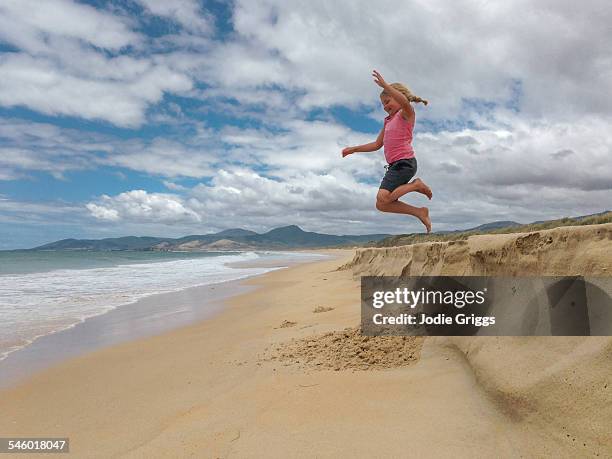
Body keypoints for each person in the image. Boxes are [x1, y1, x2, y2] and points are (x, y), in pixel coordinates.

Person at [342, 70, 432, 233]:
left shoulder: (406, 113)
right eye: (382, 104)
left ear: (397, 96)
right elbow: (377, 144)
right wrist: (354, 149)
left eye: (387, 101)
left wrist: (385, 85)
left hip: (405, 162)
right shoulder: (388, 121)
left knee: (383, 198)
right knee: (381, 204)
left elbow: (404, 102)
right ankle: (419, 212)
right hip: (394, 166)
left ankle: (416, 185)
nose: (385, 107)